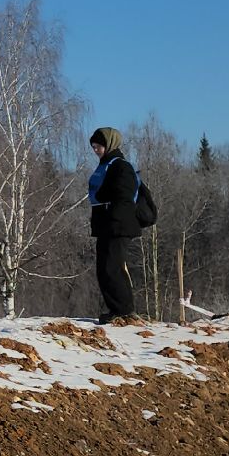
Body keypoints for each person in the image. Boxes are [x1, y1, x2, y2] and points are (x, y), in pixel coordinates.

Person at [87, 126, 141, 323]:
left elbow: (124, 195)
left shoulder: (120, 165)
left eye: (99, 145)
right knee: (105, 268)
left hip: (117, 225)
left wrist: (108, 206)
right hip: (106, 225)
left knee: (113, 267)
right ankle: (116, 309)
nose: (95, 149)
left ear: (109, 144)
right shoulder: (107, 164)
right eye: (93, 146)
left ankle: (124, 310)